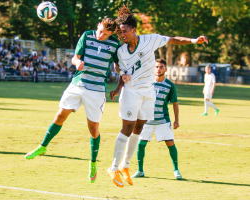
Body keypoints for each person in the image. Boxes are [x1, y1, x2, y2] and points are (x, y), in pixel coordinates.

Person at [107, 5, 208, 188]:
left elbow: (173, 39)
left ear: (134, 30)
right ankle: (113, 167)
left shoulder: (150, 40)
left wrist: (194, 40)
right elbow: (117, 66)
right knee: (127, 127)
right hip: (131, 91)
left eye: (124, 32)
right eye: (119, 33)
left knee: (139, 127)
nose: (121, 35)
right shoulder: (119, 50)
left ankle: (125, 166)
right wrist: (121, 75)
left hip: (149, 91)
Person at [25, 18, 120, 183]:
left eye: (105, 34)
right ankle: (43, 146)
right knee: (60, 115)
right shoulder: (87, 35)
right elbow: (74, 58)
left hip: (96, 90)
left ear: (110, 33)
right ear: (97, 25)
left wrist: (122, 76)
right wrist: (77, 63)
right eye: (100, 31)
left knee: (93, 129)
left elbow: (119, 65)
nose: (100, 35)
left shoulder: (115, 44)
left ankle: (92, 162)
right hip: (78, 84)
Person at [130, 59, 181, 180]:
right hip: (146, 119)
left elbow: (175, 103)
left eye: (161, 67)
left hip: (162, 120)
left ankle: (176, 170)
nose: (159, 69)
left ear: (166, 69)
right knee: (141, 144)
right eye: (157, 67)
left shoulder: (170, 85)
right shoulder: (147, 83)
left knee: (170, 143)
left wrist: (176, 119)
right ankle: (140, 170)